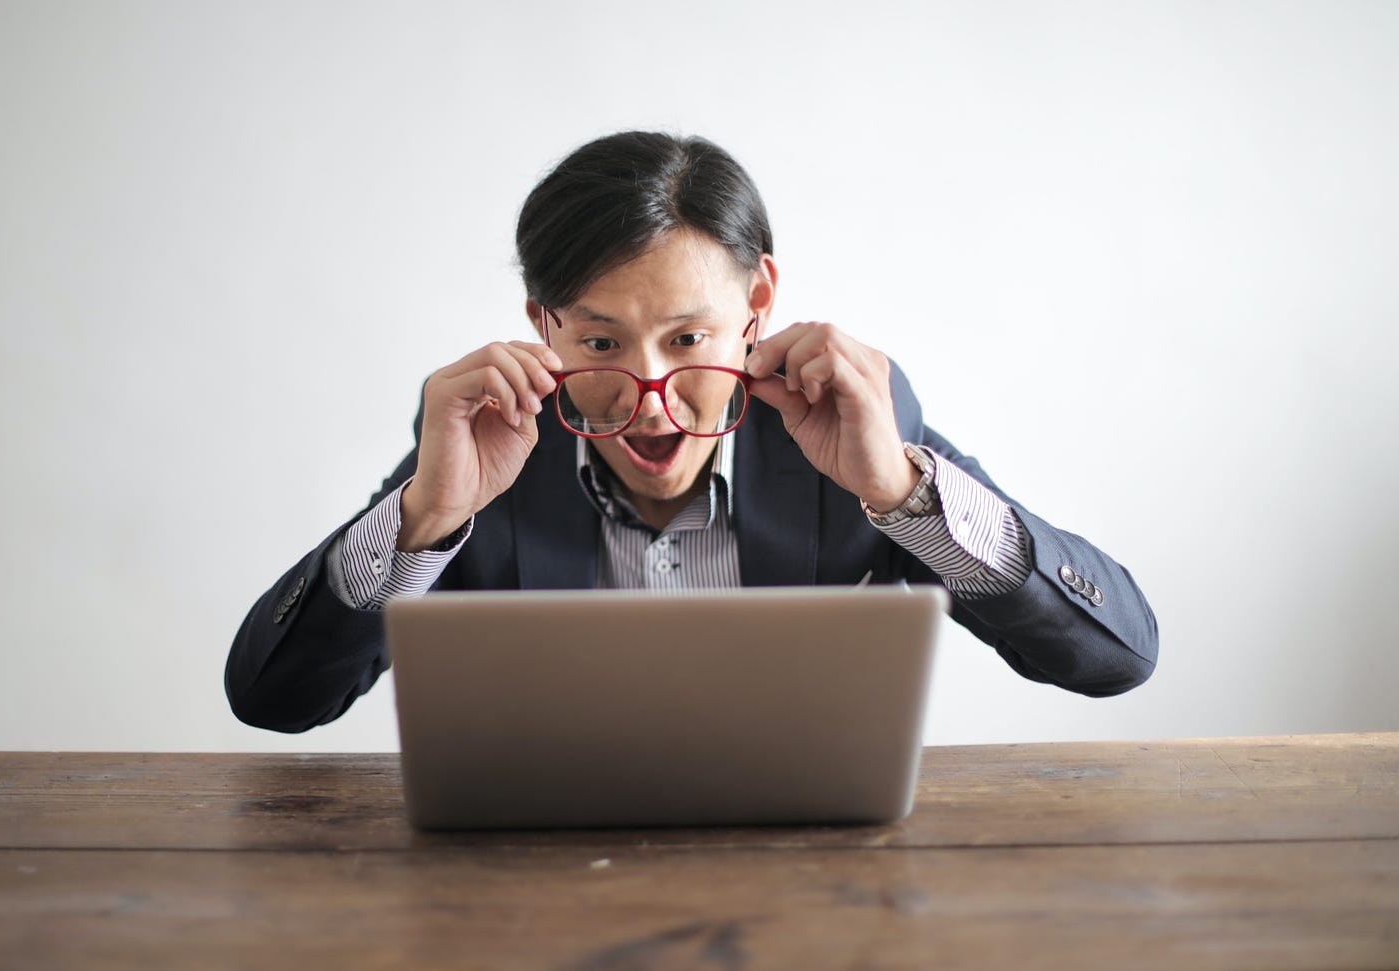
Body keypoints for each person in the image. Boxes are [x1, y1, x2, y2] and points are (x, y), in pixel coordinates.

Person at [226, 131, 1158, 734]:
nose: (651, 397)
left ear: (756, 306)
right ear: (542, 324)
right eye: (600, 341)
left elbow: (1116, 657)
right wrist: (424, 518)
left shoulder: (851, 424)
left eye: (688, 339)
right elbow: (273, 699)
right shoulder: (490, 443)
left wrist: (903, 495)